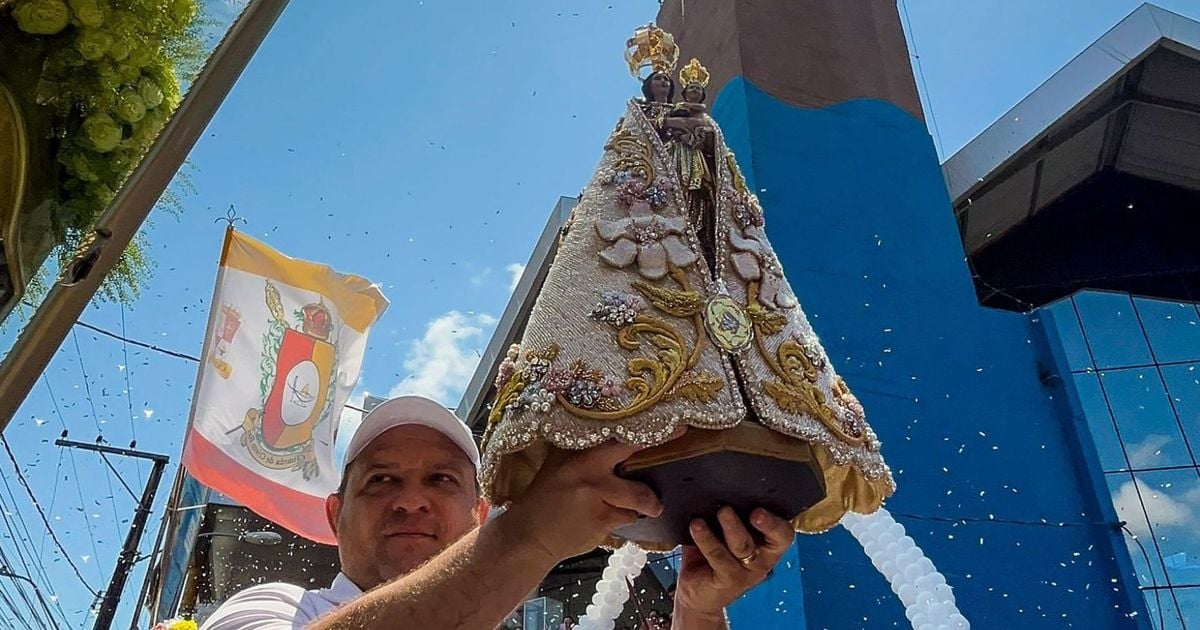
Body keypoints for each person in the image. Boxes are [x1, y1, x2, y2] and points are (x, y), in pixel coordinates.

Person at [201, 395, 796, 629]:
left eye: (441, 479)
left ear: (477, 513)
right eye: (381, 481)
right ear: (335, 516)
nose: (411, 499)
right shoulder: (273, 608)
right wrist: (527, 537)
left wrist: (696, 610)